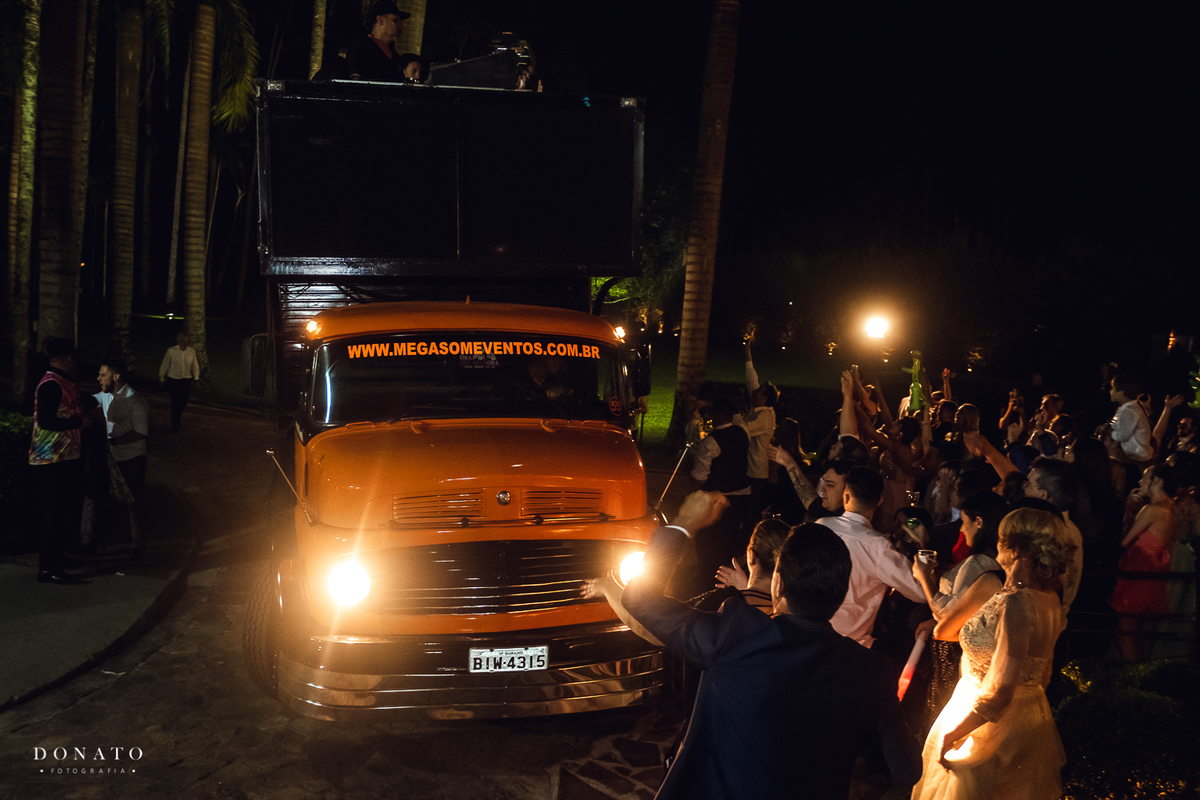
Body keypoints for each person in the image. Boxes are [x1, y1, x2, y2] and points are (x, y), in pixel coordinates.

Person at [622, 491, 921, 800]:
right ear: (841, 591)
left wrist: (685, 524)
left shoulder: (735, 634)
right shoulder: (872, 671)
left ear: (778, 582)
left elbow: (640, 599)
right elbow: (905, 771)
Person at [911, 507, 1073, 800]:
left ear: (1017, 550)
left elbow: (999, 692)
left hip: (987, 723)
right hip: (1030, 718)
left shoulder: (1016, 603)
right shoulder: (1049, 600)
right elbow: (1044, 675)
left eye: (1002, 538)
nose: (996, 544)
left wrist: (954, 734)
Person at [912, 492, 1007, 731]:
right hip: (983, 648)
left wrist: (924, 577)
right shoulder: (997, 562)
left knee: (944, 716)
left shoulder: (978, 564)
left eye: (964, 522)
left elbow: (946, 613)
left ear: (979, 522)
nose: (961, 530)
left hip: (958, 648)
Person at [818, 466, 925, 647]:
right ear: (880, 501)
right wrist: (923, 547)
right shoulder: (877, 547)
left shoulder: (820, 527)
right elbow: (921, 593)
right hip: (851, 646)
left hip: (814, 636)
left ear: (846, 496)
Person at [29, 338, 94, 584]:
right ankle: (48, 568)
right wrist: (79, 423)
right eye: (73, 357)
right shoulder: (51, 384)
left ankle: (58, 557)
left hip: (63, 456)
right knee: (52, 514)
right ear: (67, 358)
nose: (76, 360)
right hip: (50, 459)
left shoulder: (63, 381)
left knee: (63, 511)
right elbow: (46, 421)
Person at [1109, 463, 1178, 662]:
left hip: (1139, 574)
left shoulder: (1151, 509)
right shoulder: (1168, 507)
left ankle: (1134, 680)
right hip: (1150, 574)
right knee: (1132, 632)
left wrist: (1129, 509)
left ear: (1156, 481)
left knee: (1125, 632)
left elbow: (1124, 541)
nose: (1141, 482)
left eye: (1145, 477)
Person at [688, 396, 752, 581]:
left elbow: (699, 476)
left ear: (716, 415)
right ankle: (727, 575)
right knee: (729, 538)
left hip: (718, 498)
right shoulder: (742, 431)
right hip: (742, 496)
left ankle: (708, 576)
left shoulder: (710, 442)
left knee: (707, 538)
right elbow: (737, 416)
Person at [96, 358, 150, 548]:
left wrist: (115, 441)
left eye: (103, 375)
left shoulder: (135, 402)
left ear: (116, 376)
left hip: (132, 459)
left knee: (133, 504)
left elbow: (142, 431)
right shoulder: (113, 398)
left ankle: (138, 546)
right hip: (115, 457)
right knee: (116, 503)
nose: (98, 378)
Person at [345, 0, 410, 82]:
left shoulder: (394, 55)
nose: (400, 26)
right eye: (395, 20)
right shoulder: (361, 47)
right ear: (380, 20)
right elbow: (356, 82)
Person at [159, 330, 200, 433]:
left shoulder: (191, 351)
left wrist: (196, 378)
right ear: (177, 339)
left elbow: (195, 366)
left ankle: (177, 416)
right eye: (180, 338)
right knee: (175, 401)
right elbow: (165, 364)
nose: (182, 340)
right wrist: (162, 378)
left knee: (183, 401)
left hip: (186, 380)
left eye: (184, 338)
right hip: (174, 380)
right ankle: (175, 421)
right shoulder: (171, 351)